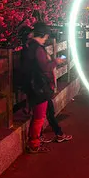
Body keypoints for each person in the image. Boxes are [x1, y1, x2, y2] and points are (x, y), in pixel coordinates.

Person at [22, 23, 70, 153]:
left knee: (41, 113)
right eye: (46, 36)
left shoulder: (29, 46)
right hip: (39, 87)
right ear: (44, 35)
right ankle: (34, 144)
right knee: (39, 116)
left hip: (34, 86)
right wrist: (56, 61)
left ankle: (37, 139)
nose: (46, 39)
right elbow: (45, 67)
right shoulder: (37, 48)